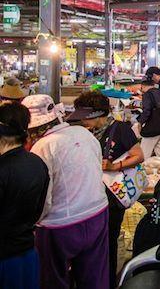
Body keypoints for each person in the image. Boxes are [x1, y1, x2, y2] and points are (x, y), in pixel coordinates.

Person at [24, 94, 109, 289]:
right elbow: (97, 168)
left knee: (54, 279)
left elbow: (44, 195)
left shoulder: (42, 146)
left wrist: (36, 222)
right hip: (97, 212)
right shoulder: (84, 134)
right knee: (95, 277)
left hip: (60, 225)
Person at [68, 90, 145, 289]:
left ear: (97, 114)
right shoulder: (87, 133)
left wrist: (114, 166)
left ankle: (108, 282)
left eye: (85, 118)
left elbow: (138, 156)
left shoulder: (119, 128)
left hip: (112, 197)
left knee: (108, 244)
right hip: (91, 196)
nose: (83, 122)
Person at [0, 101, 49, 289]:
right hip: (28, 254)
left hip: (5, 258)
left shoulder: (3, 169)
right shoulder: (37, 163)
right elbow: (40, 209)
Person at [137, 77, 160, 158]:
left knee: (144, 155)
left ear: (143, 86)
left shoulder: (147, 94)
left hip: (152, 129)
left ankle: (142, 170)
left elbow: (146, 111)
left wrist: (140, 123)